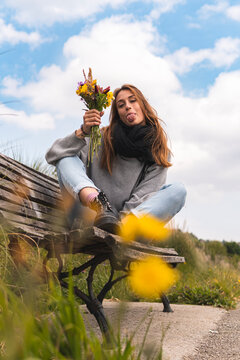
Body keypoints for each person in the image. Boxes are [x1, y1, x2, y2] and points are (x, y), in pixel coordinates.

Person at [45, 84, 186, 234]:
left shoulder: (158, 152)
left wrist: (119, 224)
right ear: (118, 114)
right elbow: (54, 154)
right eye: (121, 105)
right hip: (87, 218)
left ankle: (122, 226)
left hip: (128, 228)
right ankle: (97, 202)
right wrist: (83, 131)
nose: (127, 106)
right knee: (66, 157)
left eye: (133, 101)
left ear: (143, 106)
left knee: (178, 191)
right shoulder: (101, 138)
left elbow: (143, 197)